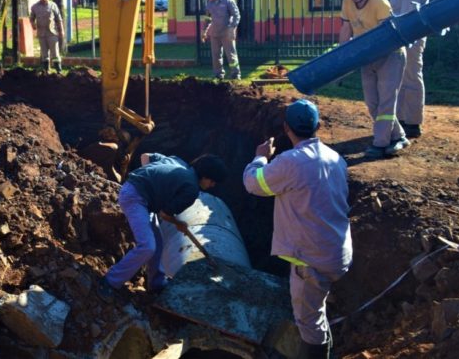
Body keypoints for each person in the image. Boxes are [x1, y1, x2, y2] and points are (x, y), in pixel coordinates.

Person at [242, 99, 352, 359]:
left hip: (311, 259)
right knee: (316, 312)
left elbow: (254, 184)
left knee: (308, 324)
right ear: (319, 126)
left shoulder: (290, 162)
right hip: (336, 251)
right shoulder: (335, 158)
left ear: (286, 128)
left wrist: (260, 157)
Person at [98, 152, 228, 301]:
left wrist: (154, 183)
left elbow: (145, 157)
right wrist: (179, 224)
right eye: (213, 182)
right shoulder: (191, 189)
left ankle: (156, 283)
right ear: (205, 176)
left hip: (138, 193)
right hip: (136, 199)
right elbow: (164, 215)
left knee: (158, 243)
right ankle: (109, 281)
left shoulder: (177, 161)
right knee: (147, 247)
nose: (212, 186)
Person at [339, 0, 409, 159]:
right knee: (372, 103)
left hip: (390, 55)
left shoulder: (380, 4)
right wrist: (341, 56)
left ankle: (380, 144)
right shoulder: (347, 0)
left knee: (386, 100)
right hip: (367, 57)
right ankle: (399, 137)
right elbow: (346, 28)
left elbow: (386, 37)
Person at [387, 0, 431, 138]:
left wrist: (401, 37)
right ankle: (405, 119)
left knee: (412, 77)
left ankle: (413, 122)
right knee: (405, 77)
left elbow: (408, 14)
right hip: (410, 35)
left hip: (411, 35)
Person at [201, 0, 242, 80]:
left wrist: (232, 28)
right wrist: (204, 30)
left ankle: (235, 74)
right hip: (215, 34)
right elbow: (207, 18)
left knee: (231, 55)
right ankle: (218, 74)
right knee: (216, 56)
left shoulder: (228, 1)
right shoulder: (209, 4)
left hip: (227, 33)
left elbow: (237, 15)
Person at [30, 0, 65, 72]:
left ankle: (58, 70)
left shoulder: (53, 5)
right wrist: (33, 24)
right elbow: (31, 18)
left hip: (52, 33)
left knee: (55, 53)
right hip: (41, 34)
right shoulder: (35, 7)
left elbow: (58, 19)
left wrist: (61, 30)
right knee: (44, 54)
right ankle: (45, 71)